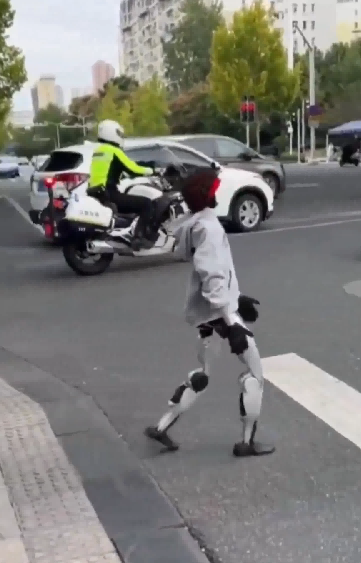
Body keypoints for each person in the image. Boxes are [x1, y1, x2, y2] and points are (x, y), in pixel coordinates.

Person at [145, 167, 275, 458]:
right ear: (207, 194)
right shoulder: (210, 228)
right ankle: (246, 442)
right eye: (214, 188)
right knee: (254, 375)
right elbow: (213, 275)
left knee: (203, 375)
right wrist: (233, 321)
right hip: (221, 317)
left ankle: (162, 427)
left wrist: (236, 298)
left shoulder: (194, 225)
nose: (218, 192)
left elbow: (215, 275)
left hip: (208, 317)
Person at [88, 119, 159, 247]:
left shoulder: (98, 151)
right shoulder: (114, 151)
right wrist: (152, 170)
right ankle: (139, 237)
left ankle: (127, 230)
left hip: (96, 192)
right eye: (119, 134)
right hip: (109, 193)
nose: (121, 137)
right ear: (112, 133)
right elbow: (132, 168)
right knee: (146, 204)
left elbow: (110, 170)